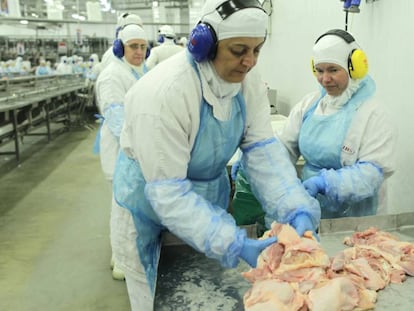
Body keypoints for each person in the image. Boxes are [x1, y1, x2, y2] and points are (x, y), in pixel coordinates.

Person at [112, 0, 321, 309]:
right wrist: (231, 242)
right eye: (238, 50)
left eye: (257, 50)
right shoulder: (165, 94)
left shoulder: (247, 84)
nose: (249, 61)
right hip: (148, 212)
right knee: (158, 298)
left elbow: (263, 152)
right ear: (204, 45)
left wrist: (294, 208)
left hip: (204, 209)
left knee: (208, 294)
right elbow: (168, 193)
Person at [278, 29, 396, 218]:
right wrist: (257, 162)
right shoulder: (309, 105)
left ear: (354, 68)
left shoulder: (373, 114)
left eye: (333, 70)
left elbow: (371, 174)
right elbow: (284, 146)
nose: (325, 79)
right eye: (319, 70)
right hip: (310, 212)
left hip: (358, 218)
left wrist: (325, 183)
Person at [94, 24, 149, 280]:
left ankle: (127, 254)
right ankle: (120, 259)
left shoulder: (138, 69)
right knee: (122, 207)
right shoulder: (112, 75)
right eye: (133, 46)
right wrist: (138, 147)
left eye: (142, 46)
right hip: (120, 149)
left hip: (135, 148)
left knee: (131, 206)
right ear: (120, 47)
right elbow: (115, 118)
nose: (139, 51)